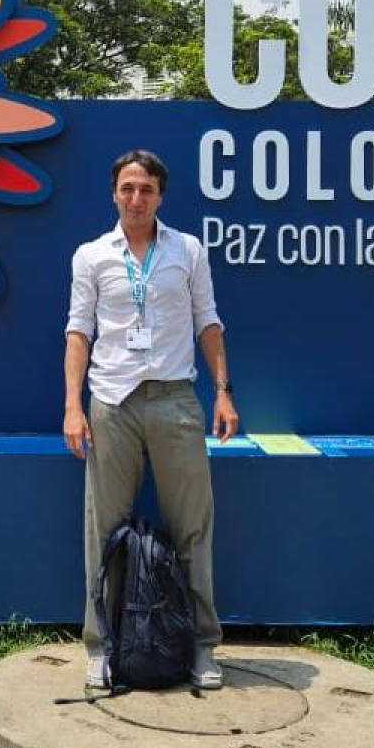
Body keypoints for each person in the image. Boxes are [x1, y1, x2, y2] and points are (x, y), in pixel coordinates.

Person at [63, 149, 239, 690]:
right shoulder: (91, 256)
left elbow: (208, 321)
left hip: (174, 399)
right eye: (127, 188)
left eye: (146, 189)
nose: (136, 198)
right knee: (104, 527)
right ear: (114, 193)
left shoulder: (187, 250)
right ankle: (102, 647)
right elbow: (79, 331)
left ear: (160, 195)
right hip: (111, 401)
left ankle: (203, 647)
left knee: (193, 525)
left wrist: (223, 393)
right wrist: (73, 405)